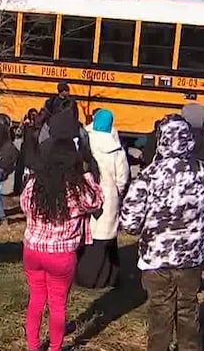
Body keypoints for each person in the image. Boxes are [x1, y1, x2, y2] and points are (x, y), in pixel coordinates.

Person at [121, 114, 204, 351]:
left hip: (155, 259)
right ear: (189, 140)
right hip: (191, 258)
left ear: (162, 140)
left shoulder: (148, 175)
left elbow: (130, 222)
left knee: (159, 313)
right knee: (188, 310)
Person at [21, 112, 104, 351]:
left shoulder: (36, 183)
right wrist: (88, 172)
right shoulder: (77, 186)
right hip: (61, 254)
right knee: (58, 305)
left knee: (36, 300)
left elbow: (24, 205)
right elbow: (97, 201)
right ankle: (55, 348)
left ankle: (33, 346)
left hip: (33, 250)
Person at [82, 108, 130, 288]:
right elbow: (123, 177)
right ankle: (107, 277)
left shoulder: (86, 140)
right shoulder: (115, 147)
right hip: (109, 196)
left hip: (87, 192)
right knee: (106, 238)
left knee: (89, 236)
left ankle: (85, 276)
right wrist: (117, 192)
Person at [14, 108, 40, 194]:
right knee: (20, 172)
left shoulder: (38, 128)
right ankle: (18, 190)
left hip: (32, 152)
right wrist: (21, 124)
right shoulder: (26, 126)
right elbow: (17, 134)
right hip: (25, 151)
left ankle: (29, 191)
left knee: (30, 174)